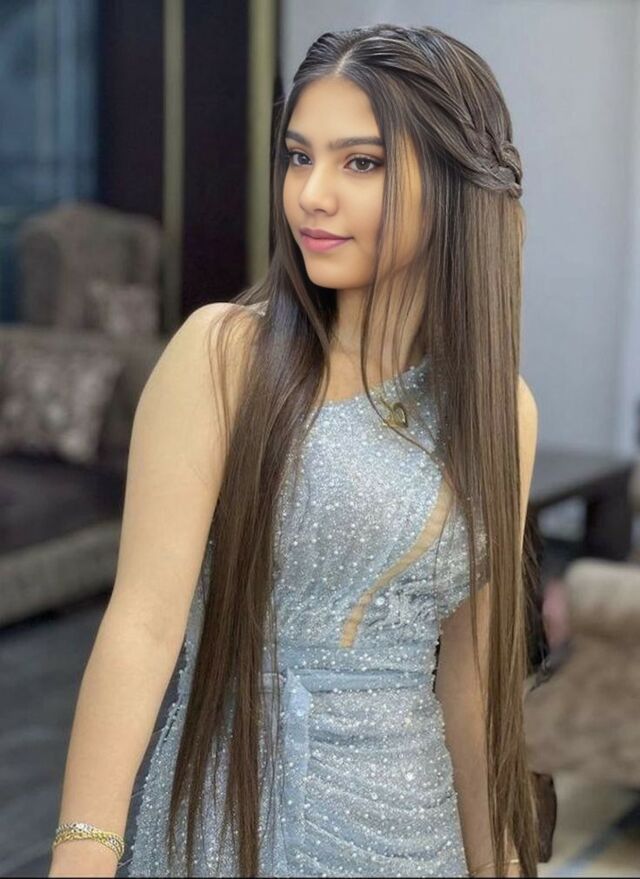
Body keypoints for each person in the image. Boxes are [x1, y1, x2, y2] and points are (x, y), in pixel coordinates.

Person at [48, 22, 540, 879]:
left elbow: (473, 680)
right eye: (299, 156)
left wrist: (500, 860)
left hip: (411, 832)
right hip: (232, 817)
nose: (311, 194)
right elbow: (143, 625)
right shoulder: (224, 354)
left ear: (455, 182)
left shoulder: (503, 412)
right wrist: (82, 855)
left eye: (361, 162)